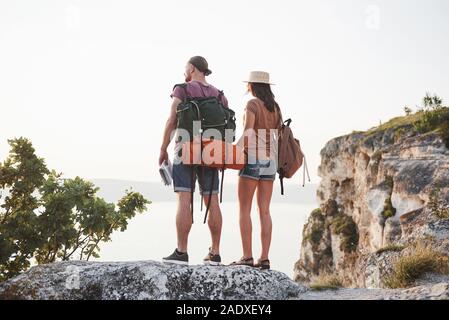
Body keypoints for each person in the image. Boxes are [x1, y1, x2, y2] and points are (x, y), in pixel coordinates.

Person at [158, 56, 229, 265]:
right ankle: (215, 253)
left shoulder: (182, 89)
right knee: (212, 199)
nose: (184, 72)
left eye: (185, 69)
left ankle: (182, 252)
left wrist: (163, 148)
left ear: (191, 68)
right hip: (211, 148)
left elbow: (172, 119)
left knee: (184, 199)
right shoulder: (219, 94)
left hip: (186, 145)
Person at [231, 71, 282, 270]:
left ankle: (247, 257)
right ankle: (265, 258)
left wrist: (232, 151)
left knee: (244, 209)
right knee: (265, 211)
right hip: (271, 160)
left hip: (252, 158)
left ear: (251, 85)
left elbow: (249, 132)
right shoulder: (275, 107)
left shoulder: (252, 104)